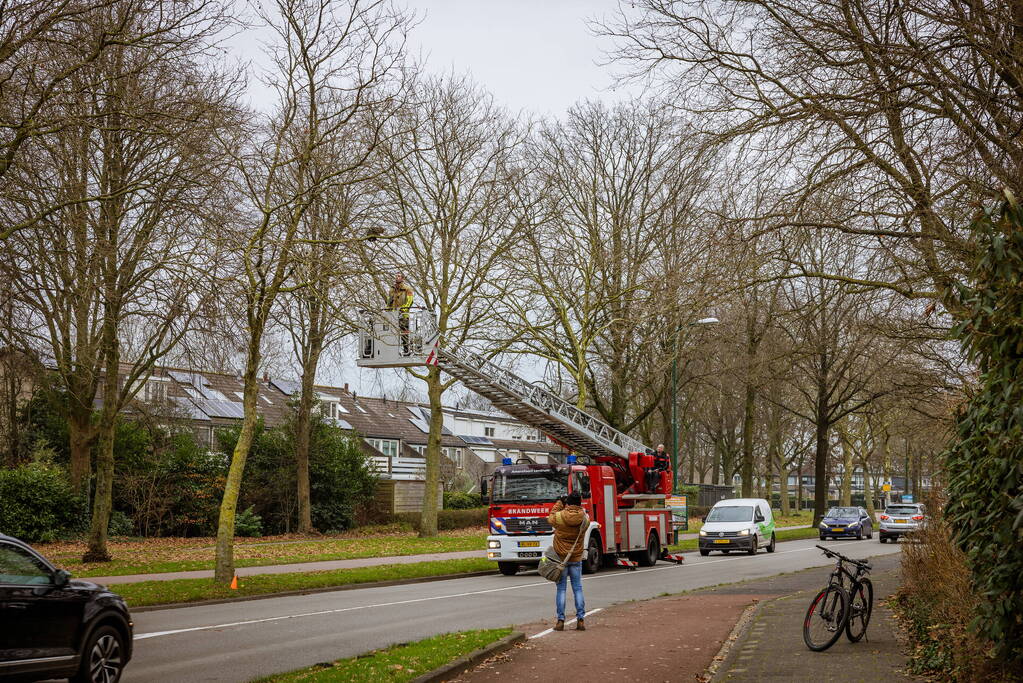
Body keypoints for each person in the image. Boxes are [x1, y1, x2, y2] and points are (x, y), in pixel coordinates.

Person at [547, 491, 589, 631]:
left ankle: (560, 621)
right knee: (578, 588)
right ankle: (581, 619)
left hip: (561, 559)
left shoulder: (559, 517)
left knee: (561, 589)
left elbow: (550, 518)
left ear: (568, 502)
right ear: (580, 503)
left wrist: (559, 503)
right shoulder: (585, 519)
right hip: (576, 557)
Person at [387, 273, 414, 354]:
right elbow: (389, 302)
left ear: (403, 278)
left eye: (398, 276)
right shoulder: (392, 290)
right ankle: (392, 352)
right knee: (391, 333)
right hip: (393, 315)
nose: (396, 277)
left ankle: (406, 351)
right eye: (396, 276)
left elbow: (410, 301)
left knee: (404, 334)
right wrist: (387, 311)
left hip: (403, 315)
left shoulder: (408, 289)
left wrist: (403, 309)